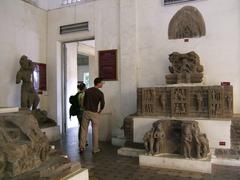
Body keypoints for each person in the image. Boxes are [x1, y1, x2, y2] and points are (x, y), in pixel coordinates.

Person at [80, 78, 105, 154]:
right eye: (101, 83)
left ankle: (82, 147)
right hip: (94, 113)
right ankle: (95, 149)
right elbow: (103, 104)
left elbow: (83, 102)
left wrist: (85, 108)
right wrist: (99, 111)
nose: (102, 84)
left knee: (84, 130)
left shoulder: (87, 91)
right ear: (98, 83)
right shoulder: (100, 93)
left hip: (86, 112)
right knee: (95, 131)